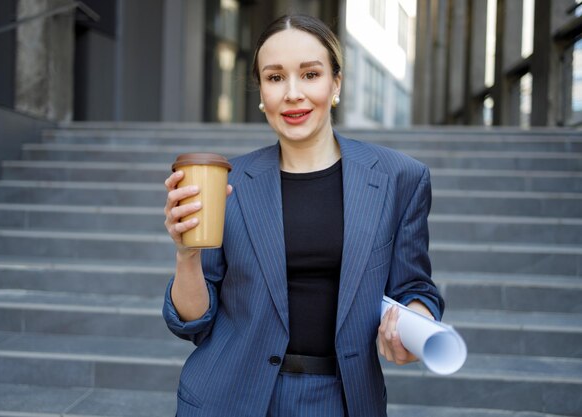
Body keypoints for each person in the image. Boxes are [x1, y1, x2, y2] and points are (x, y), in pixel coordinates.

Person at [163, 14, 444, 417]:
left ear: (336, 84)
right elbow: (192, 322)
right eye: (275, 78)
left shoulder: (401, 178)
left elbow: (416, 287)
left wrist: (413, 325)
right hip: (226, 396)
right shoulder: (227, 182)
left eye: (310, 74)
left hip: (342, 399)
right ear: (261, 91)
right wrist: (185, 254)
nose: (293, 93)